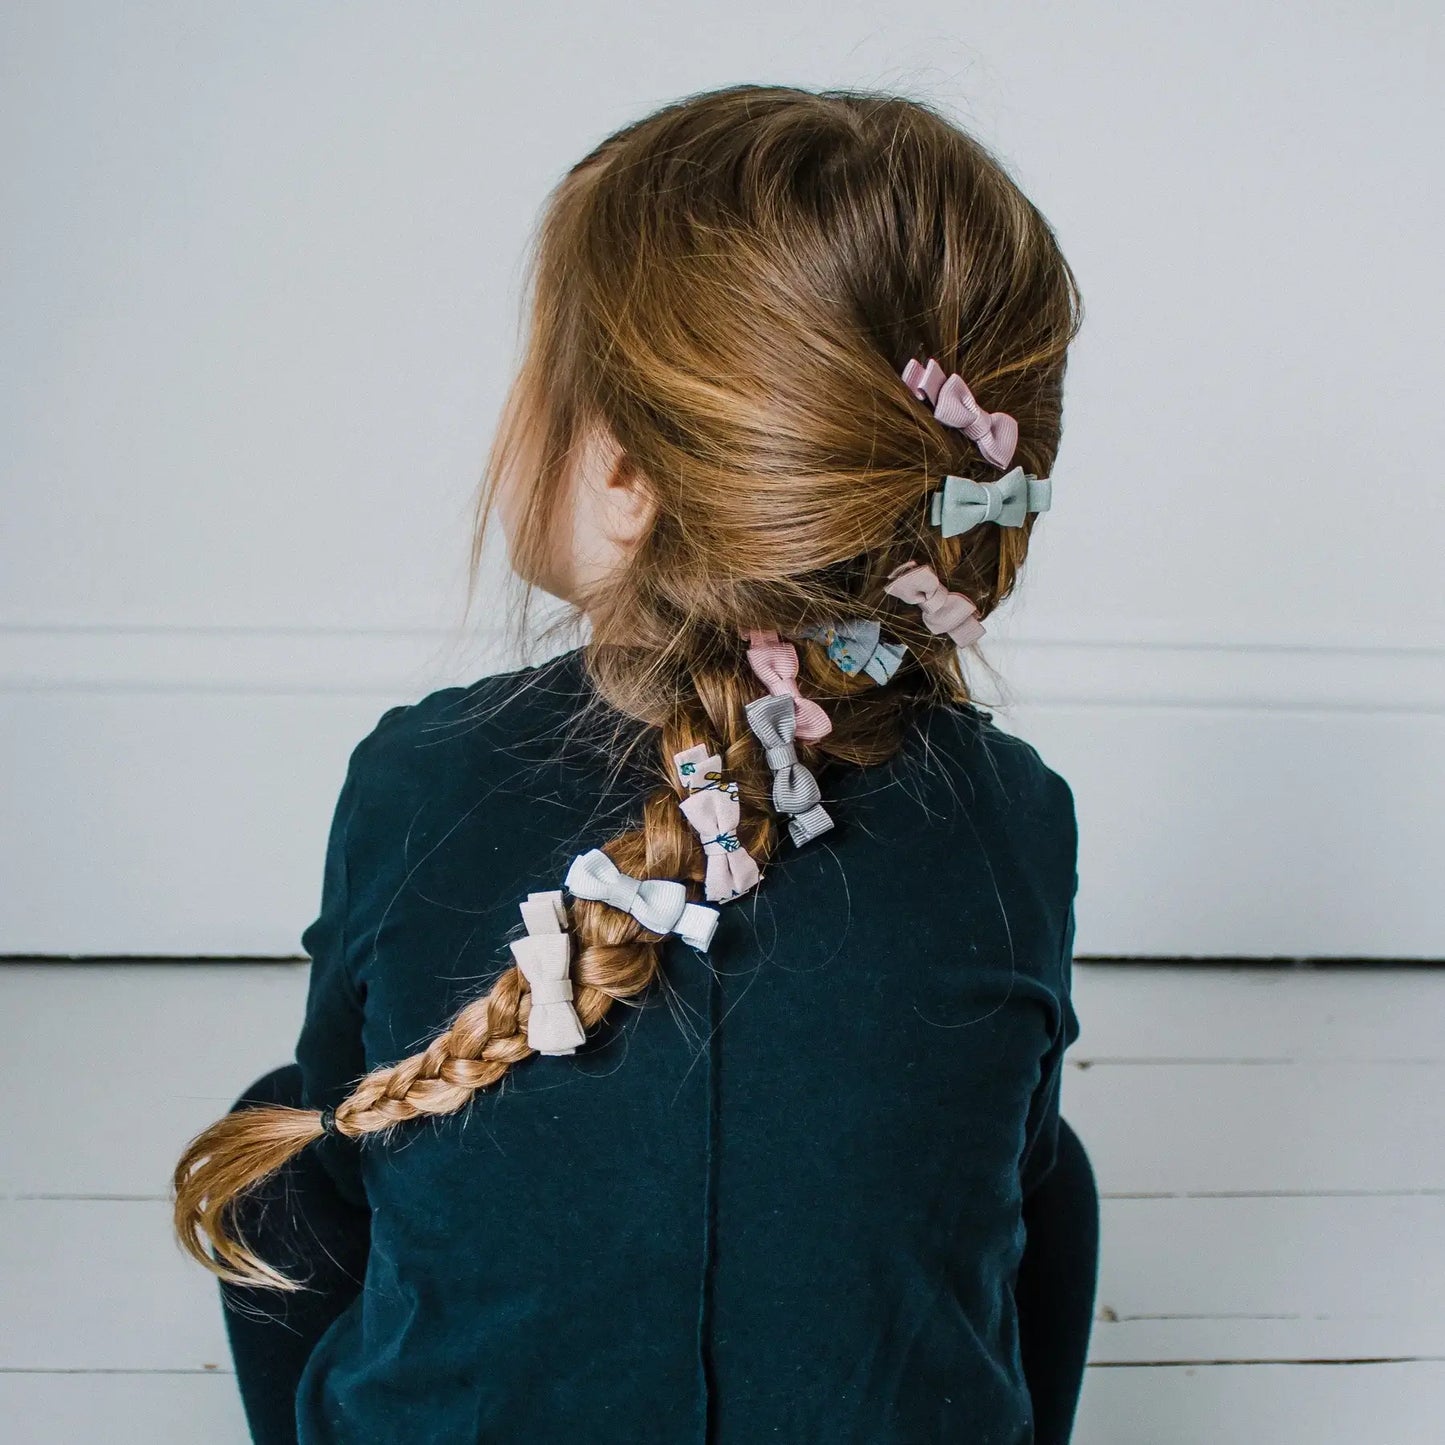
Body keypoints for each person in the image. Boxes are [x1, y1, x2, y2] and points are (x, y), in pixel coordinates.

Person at [174, 82, 1099, 1444]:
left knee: (285, 1138)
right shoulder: (1012, 813)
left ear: (621, 470)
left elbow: (346, 1170)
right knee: (1040, 1166)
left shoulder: (418, 780)